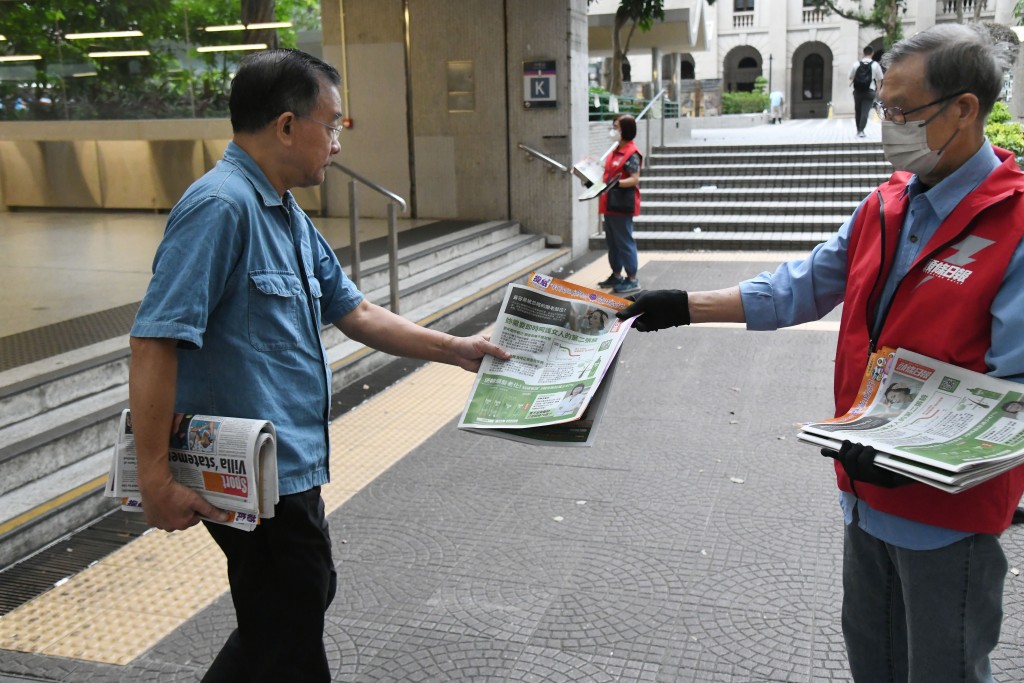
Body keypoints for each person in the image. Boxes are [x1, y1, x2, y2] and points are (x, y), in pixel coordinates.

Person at [616, 24, 1024, 682]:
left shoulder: (1015, 225)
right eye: (882, 107)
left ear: (964, 109)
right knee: (874, 659)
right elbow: (801, 287)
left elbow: (1015, 394)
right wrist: (679, 305)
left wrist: (913, 456)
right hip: (865, 497)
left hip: (948, 518)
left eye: (900, 112)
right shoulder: (887, 205)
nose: (885, 124)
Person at [127, 48, 509, 683]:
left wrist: (455, 350)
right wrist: (154, 478)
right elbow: (154, 341)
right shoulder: (221, 207)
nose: (336, 143)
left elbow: (354, 311)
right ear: (285, 126)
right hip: (246, 471)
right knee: (292, 615)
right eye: (331, 124)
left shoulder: (287, 214)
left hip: (289, 465)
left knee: (290, 607)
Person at [597, 114, 642, 294]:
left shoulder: (631, 153)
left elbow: (634, 179)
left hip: (622, 206)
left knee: (624, 242)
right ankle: (616, 274)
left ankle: (632, 278)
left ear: (626, 130)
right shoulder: (615, 150)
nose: (613, 130)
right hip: (609, 204)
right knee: (613, 242)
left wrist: (615, 184)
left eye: (617, 127)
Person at [850, 45, 884, 138]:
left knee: (858, 111)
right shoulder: (875, 65)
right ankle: (861, 131)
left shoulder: (856, 64)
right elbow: (879, 79)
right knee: (865, 111)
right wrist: (878, 90)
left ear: (863, 53)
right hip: (870, 91)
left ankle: (858, 130)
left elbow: (850, 77)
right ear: (872, 53)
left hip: (857, 91)